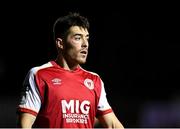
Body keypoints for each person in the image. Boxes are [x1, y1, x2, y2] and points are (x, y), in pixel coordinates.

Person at [16, 12, 124, 128]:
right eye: (78, 38)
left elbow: (113, 125)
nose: (85, 44)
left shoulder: (95, 80)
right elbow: (24, 124)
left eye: (87, 38)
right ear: (60, 43)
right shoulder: (39, 74)